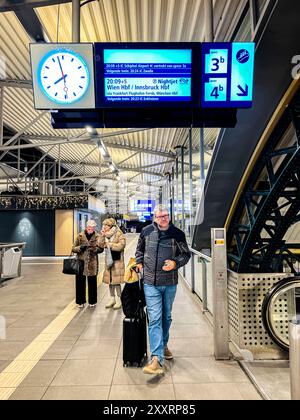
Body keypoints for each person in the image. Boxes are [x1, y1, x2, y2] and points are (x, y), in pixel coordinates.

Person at [135, 204, 191, 374]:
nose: (163, 219)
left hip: (169, 283)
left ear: (169, 216)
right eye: (160, 216)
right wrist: (139, 263)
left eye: (166, 215)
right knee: (155, 318)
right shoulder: (146, 232)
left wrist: (175, 263)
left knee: (166, 317)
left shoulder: (177, 234)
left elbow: (186, 254)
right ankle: (156, 359)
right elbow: (139, 250)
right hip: (150, 283)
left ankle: (164, 344)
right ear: (155, 217)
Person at [72, 219, 103, 308]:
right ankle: (80, 301)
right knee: (80, 283)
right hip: (81, 263)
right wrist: (80, 248)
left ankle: (92, 301)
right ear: (86, 227)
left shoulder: (98, 236)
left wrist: (95, 250)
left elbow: (101, 249)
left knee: (92, 283)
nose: (90, 230)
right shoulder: (80, 236)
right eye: (89, 228)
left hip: (92, 263)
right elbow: (73, 248)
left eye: (92, 228)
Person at [100, 218, 126, 310]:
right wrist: (102, 236)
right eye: (104, 225)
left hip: (117, 260)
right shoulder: (105, 235)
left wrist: (110, 245)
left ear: (111, 226)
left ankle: (119, 299)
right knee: (110, 280)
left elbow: (122, 245)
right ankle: (112, 298)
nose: (104, 227)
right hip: (109, 260)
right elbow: (100, 244)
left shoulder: (118, 233)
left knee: (116, 281)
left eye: (106, 225)